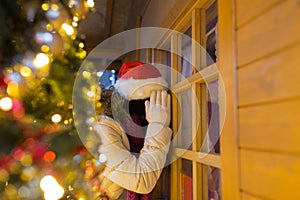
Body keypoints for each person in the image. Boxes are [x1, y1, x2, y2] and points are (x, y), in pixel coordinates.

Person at [93, 61, 172, 200]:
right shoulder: (101, 130)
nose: (145, 114)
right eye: (146, 102)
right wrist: (158, 124)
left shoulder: (129, 124)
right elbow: (142, 180)